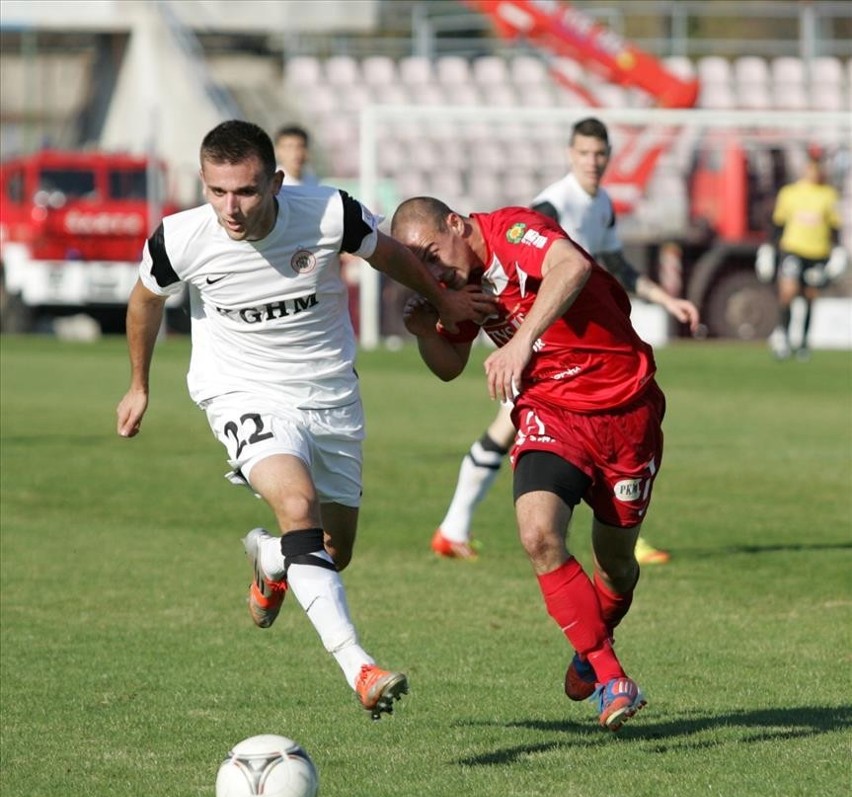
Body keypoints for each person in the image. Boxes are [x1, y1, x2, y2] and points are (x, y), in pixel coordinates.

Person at [115, 120, 496, 720]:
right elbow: (144, 300)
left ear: (276, 181)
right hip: (239, 391)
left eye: (244, 191)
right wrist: (139, 384)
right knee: (297, 506)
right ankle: (359, 666)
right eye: (217, 191)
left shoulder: (328, 213)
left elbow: (390, 254)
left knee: (331, 552)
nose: (230, 208)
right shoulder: (180, 238)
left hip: (329, 396)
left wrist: (445, 299)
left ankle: (271, 559)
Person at [392, 196, 666, 731]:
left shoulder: (514, 231)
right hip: (549, 413)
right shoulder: (454, 283)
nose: (430, 272)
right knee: (539, 535)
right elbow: (449, 367)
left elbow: (574, 266)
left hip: (625, 410)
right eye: (417, 266)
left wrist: (520, 341)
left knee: (615, 564)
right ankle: (613, 678)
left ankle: (590, 650)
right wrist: (428, 330)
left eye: (430, 254)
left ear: (456, 223)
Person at [430, 117, 700, 567]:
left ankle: (454, 528)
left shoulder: (603, 204)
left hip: (576, 352)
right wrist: (520, 341)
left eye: (600, 154)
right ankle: (456, 526)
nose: (592, 162)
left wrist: (665, 299)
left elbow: (616, 264)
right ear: (570, 155)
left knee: (508, 431)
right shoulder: (551, 206)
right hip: (539, 347)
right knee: (527, 432)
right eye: (584, 154)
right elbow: (527, 272)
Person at [756, 148, 847, 361]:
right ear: (805, 168)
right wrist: (769, 248)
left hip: (817, 252)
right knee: (788, 292)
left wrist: (838, 251)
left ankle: (803, 343)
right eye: (811, 167)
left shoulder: (828, 195)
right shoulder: (790, 193)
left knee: (810, 296)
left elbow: (835, 227)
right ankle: (783, 337)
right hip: (793, 249)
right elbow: (778, 224)